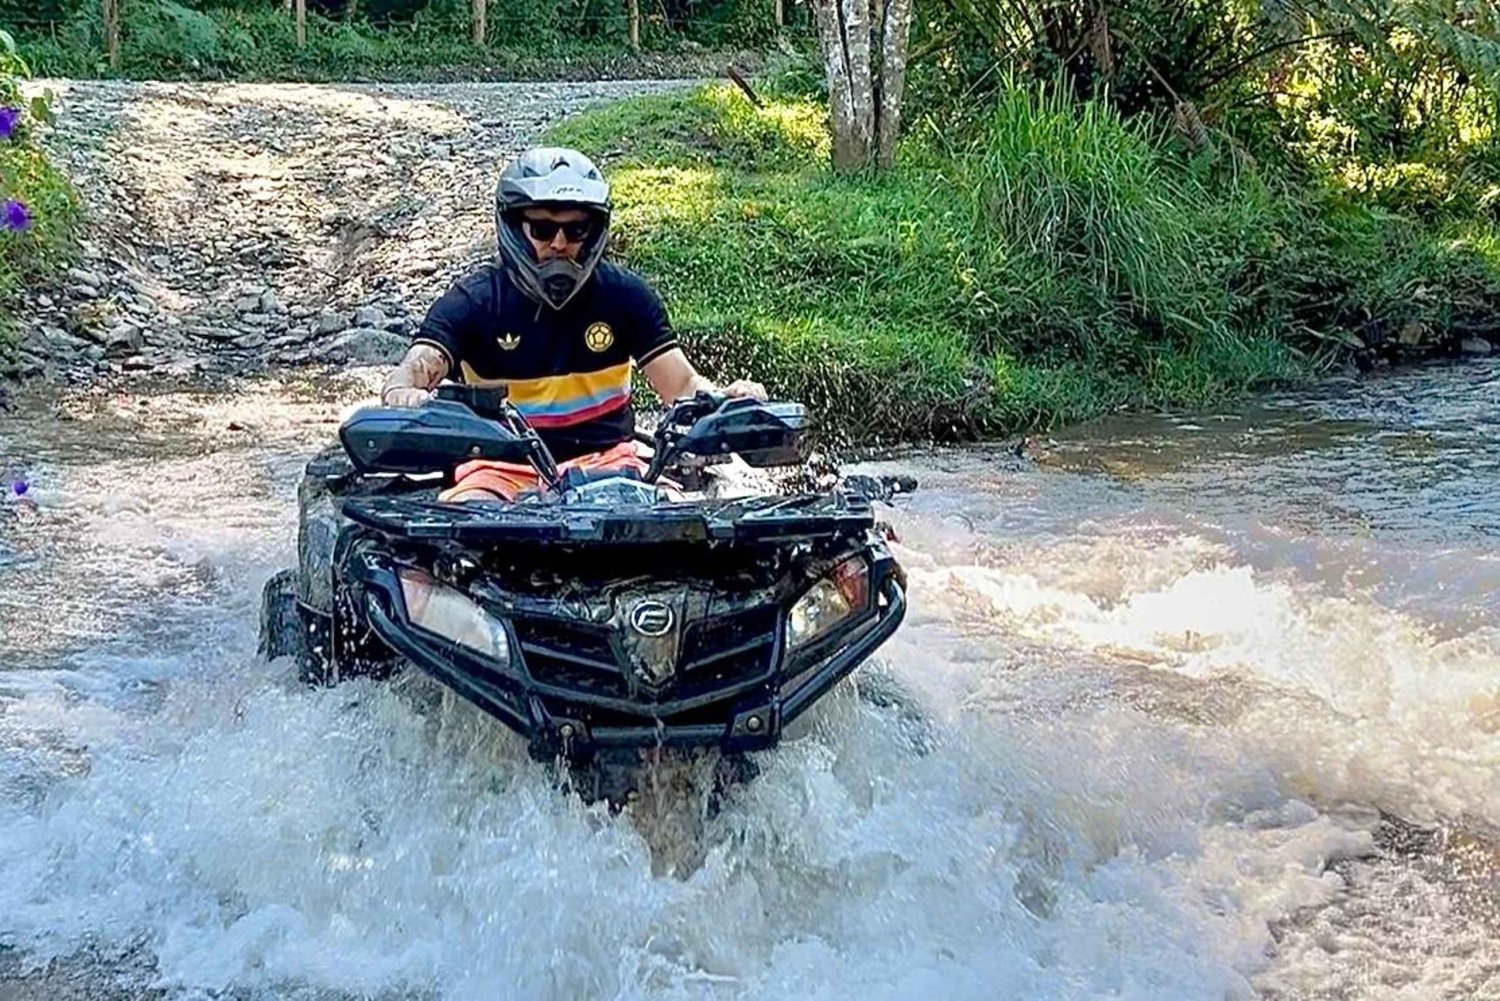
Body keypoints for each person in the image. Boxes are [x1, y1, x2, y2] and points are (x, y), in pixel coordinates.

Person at [380, 146, 766, 503]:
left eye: (575, 230)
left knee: (677, 522)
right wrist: (404, 394)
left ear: (594, 231)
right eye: (543, 230)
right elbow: (415, 369)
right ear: (515, 227)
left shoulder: (626, 296)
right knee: (458, 533)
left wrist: (724, 399)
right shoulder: (473, 301)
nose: (560, 243)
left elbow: (681, 385)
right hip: (497, 472)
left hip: (612, 466)